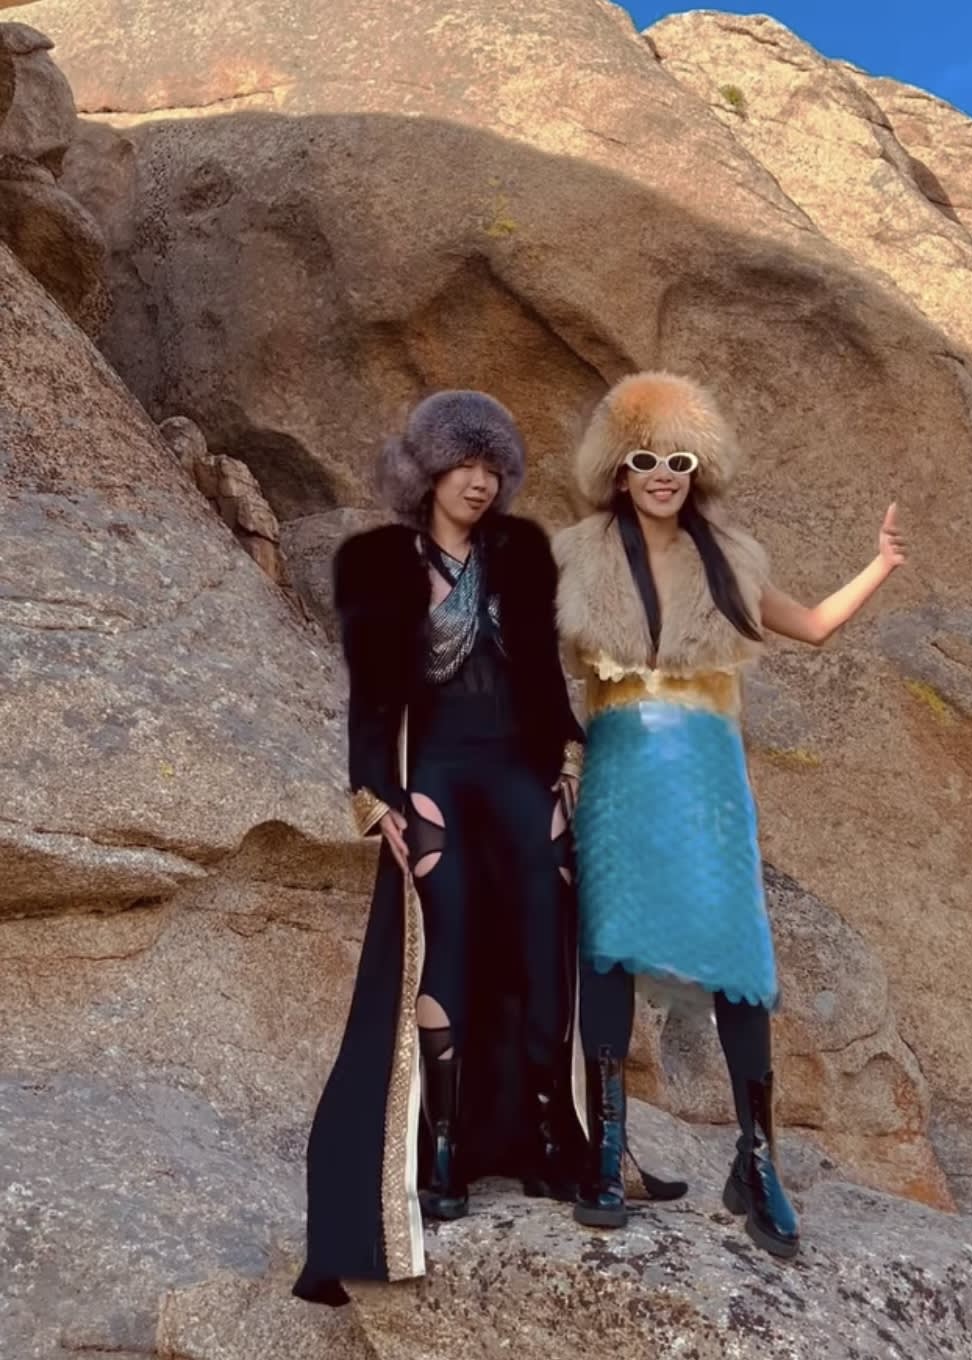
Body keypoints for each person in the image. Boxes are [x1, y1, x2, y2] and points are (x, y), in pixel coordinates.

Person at [553, 372, 907, 1258]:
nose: (661, 475)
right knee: (607, 945)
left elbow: (813, 625)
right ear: (619, 469)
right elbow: (519, 652)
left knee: (738, 955)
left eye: (677, 461)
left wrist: (880, 565)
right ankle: (605, 1149)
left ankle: (757, 1159)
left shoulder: (730, 558)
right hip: (618, 766)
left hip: (708, 773)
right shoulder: (574, 557)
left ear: (697, 469)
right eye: (645, 459)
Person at [295, 390, 586, 1303]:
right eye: (464, 463)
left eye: (494, 466)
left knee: (544, 941)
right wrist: (371, 793)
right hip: (437, 776)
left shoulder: (521, 551)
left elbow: (542, 667)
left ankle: (547, 1136)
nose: (480, 481)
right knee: (445, 946)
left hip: (518, 770)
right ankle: (445, 1151)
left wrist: (567, 758)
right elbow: (371, 691)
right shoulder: (378, 561)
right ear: (426, 470)